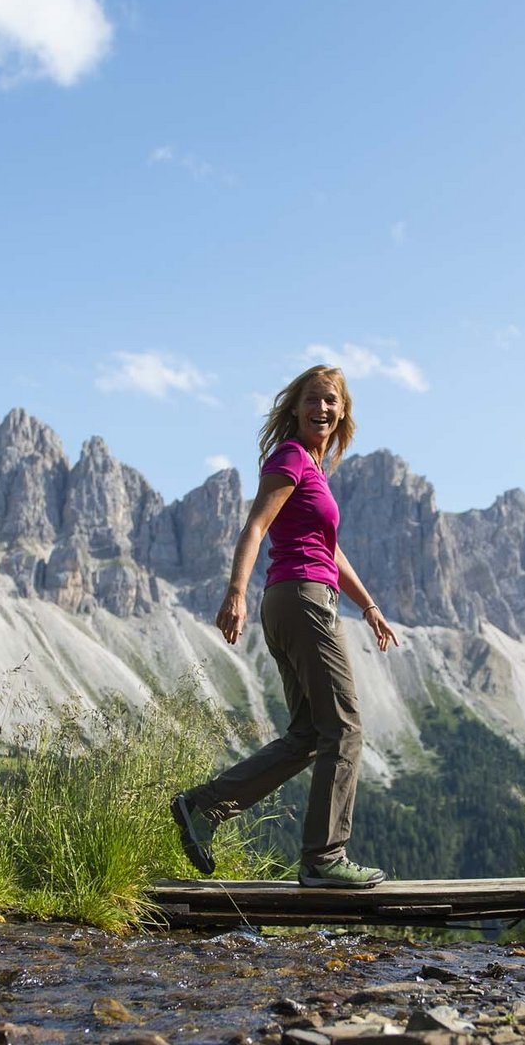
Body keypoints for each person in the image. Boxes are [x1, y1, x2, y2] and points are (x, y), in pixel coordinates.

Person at [169, 365, 399, 888]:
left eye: (332, 402)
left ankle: (202, 808)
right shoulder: (291, 457)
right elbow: (257, 524)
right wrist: (234, 592)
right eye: (314, 400)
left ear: (343, 413)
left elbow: (329, 550)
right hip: (302, 598)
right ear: (294, 408)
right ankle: (324, 859)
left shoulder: (315, 469)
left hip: (299, 597)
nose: (323, 409)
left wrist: (368, 606)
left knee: (307, 734)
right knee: (344, 727)